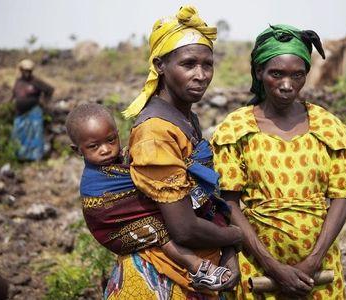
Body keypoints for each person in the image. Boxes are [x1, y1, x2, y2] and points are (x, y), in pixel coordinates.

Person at [104, 6, 242, 299]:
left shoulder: (185, 118)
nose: (201, 75)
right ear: (160, 65)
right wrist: (237, 236)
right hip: (160, 275)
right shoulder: (156, 131)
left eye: (208, 65)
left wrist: (226, 249)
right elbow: (183, 229)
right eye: (189, 64)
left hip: (194, 272)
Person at [212, 24, 346, 299]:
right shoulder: (236, 128)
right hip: (258, 269)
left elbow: (341, 198)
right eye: (277, 74)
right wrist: (273, 267)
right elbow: (229, 203)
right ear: (259, 73)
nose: (287, 85)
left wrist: (313, 261)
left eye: (297, 75)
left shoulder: (328, 127)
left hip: (318, 273)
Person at [65, 103, 233, 291]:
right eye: (94, 146)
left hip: (133, 215)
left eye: (110, 140)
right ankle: (198, 267)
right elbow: (107, 206)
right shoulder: (95, 180)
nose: (105, 149)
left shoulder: (125, 156)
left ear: (118, 134)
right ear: (77, 150)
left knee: (176, 217)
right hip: (113, 225)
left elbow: (143, 174)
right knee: (161, 231)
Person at [11, 59, 54, 161]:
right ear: (21, 70)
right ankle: (20, 157)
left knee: (34, 134)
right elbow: (14, 94)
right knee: (19, 134)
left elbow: (49, 90)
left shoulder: (35, 81)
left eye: (29, 71)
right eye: (25, 70)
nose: (27, 73)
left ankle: (35, 158)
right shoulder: (18, 81)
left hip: (33, 112)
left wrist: (44, 102)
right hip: (20, 113)